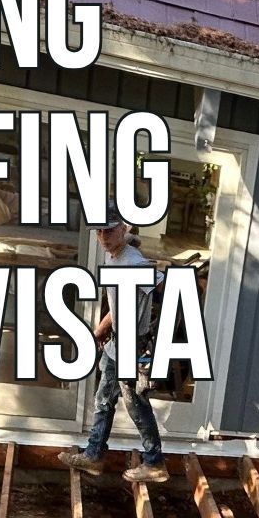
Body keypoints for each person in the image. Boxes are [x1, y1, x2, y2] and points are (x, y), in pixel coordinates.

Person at [59, 200, 170, 484]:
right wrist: (100, 331)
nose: (102, 238)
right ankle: (94, 455)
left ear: (122, 228)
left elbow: (162, 287)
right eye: (98, 232)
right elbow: (120, 302)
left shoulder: (133, 261)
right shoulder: (114, 255)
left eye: (108, 232)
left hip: (132, 345)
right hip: (116, 343)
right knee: (104, 399)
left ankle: (155, 463)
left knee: (134, 402)